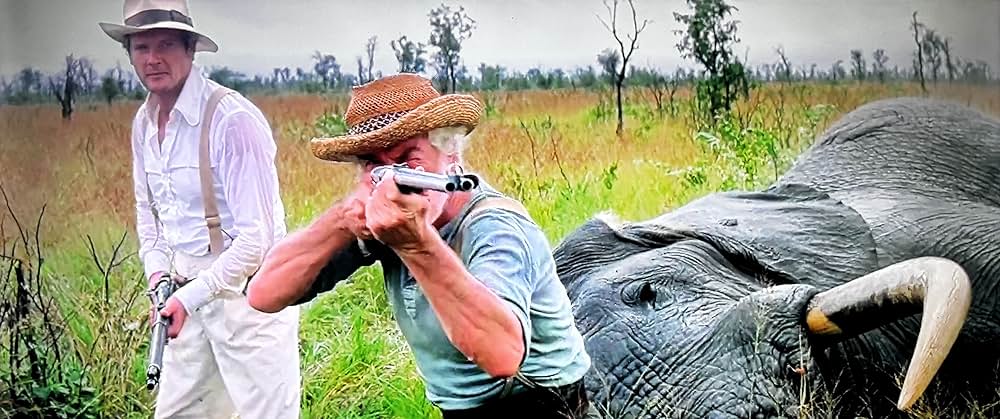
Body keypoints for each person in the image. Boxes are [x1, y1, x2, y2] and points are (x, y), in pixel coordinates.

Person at [247, 73, 595, 418]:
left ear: (450, 152)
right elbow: (263, 294)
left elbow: (502, 354)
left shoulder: (495, 227)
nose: (395, 178)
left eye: (409, 158)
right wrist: (341, 222)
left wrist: (417, 245)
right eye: (376, 166)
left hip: (548, 407)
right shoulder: (382, 216)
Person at [99, 1, 301, 418]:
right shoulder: (143, 122)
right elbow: (149, 216)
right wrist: (158, 278)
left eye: (166, 44)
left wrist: (189, 297)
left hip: (251, 302)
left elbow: (256, 242)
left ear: (191, 49)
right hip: (185, 301)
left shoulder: (233, 121)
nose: (152, 59)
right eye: (141, 47)